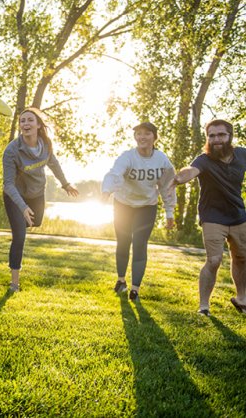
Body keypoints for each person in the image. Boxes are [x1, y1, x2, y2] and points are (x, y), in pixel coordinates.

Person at [173, 119, 246, 316]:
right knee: (214, 260)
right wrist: (178, 178)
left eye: (221, 135)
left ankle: (242, 299)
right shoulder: (204, 160)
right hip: (212, 217)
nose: (216, 140)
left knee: (242, 257)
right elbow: (189, 171)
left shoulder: (242, 154)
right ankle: (204, 306)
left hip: (238, 215)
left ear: (230, 136)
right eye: (211, 136)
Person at [3, 107, 79, 292]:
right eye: (22, 121)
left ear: (38, 125)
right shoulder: (12, 150)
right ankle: (14, 283)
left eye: (30, 120)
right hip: (15, 195)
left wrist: (65, 184)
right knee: (19, 236)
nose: (25, 124)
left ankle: (21, 223)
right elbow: (8, 184)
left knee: (35, 222)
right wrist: (21, 207)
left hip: (37, 193)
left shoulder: (45, 144)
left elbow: (54, 164)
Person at [101, 122, 176, 302]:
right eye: (139, 134)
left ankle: (135, 288)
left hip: (146, 206)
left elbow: (168, 186)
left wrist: (169, 212)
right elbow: (115, 173)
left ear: (155, 137)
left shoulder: (162, 160)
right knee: (124, 241)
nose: (142, 137)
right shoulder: (127, 157)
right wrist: (106, 191)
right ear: (135, 137)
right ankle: (121, 280)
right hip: (123, 204)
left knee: (140, 243)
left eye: (147, 134)